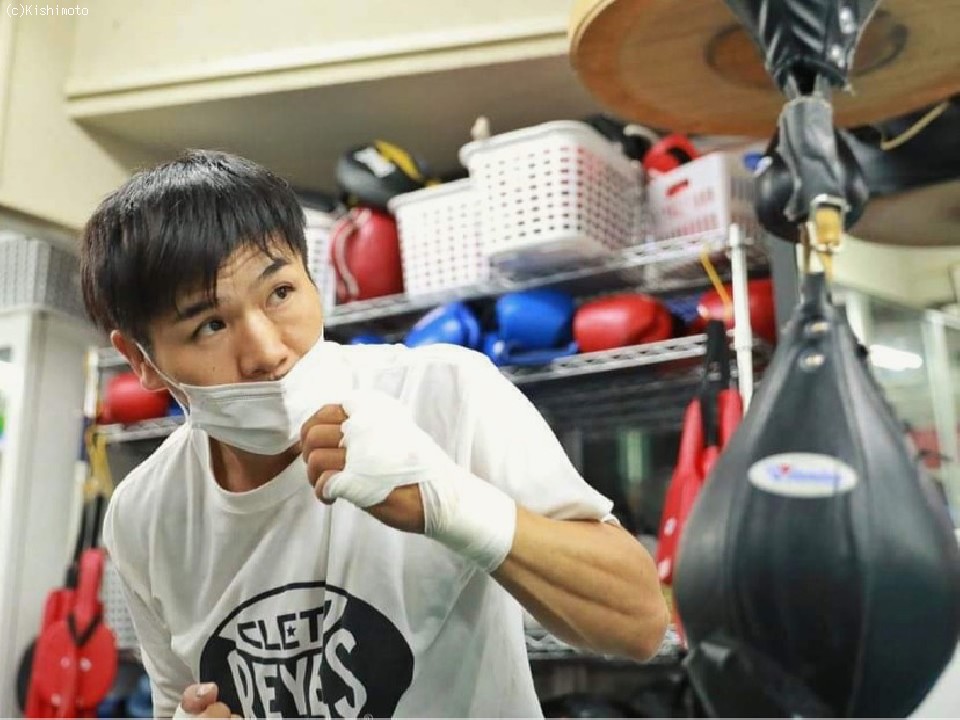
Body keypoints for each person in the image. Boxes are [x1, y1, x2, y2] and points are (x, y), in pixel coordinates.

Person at [80, 149, 669, 718]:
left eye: (280, 293)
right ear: (141, 360)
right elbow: (179, 700)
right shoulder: (144, 513)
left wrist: (452, 504)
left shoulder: (443, 394)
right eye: (210, 325)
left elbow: (640, 623)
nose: (267, 352)